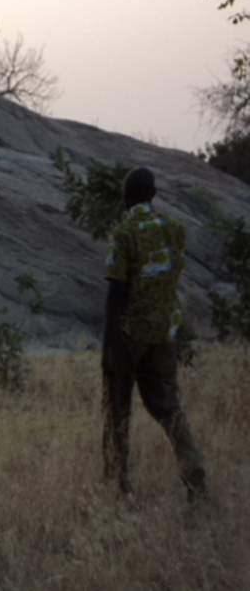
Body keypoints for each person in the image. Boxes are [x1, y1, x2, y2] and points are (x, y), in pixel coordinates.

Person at [102, 167, 207, 501]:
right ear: (153, 194)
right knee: (168, 406)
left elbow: (116, 292)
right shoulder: (175, 230)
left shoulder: (124, 233)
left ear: (126, 196)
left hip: (129, 333)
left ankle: (118, 486)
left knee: (117, 409)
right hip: (165, 332)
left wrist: (108, 342)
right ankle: (192, 469)